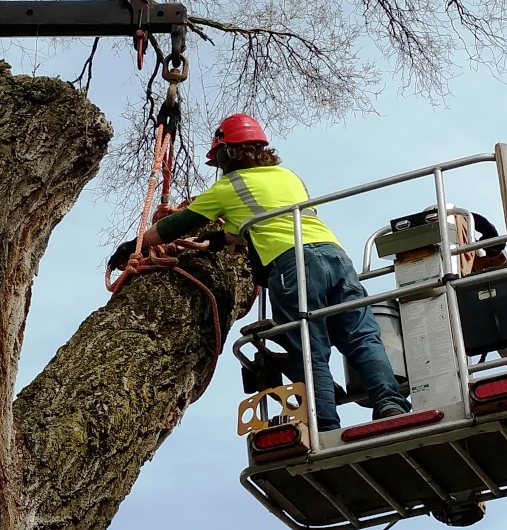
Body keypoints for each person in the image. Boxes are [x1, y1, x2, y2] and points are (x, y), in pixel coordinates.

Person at [109, 113, 411, 431]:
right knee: (362, 337)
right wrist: (221, 238)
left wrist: (135, 245)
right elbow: (272, 219)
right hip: (335, 257)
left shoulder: (229, 186)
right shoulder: (288, 177)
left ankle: (324, 424)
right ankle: (389, 404)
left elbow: (175, 225)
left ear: (226, 153)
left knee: (309, 347)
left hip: (293, 266)